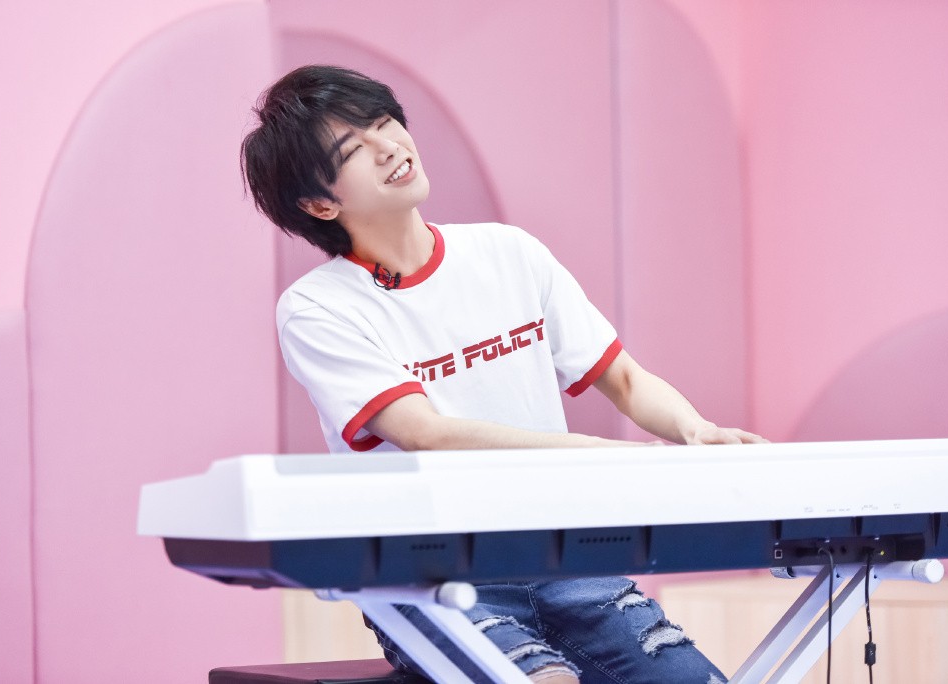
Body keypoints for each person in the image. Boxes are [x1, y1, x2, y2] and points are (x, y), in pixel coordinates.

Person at [241, 64, 764, 684]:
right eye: (353, 149)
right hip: (428, 579)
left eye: (384, 122)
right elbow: (425, 433)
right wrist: (606, 457)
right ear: (319, 203)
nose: (389, 147)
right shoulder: (317, 308)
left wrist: (694, 430)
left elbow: (624, 380)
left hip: (566, 558)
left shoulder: (509, 252)